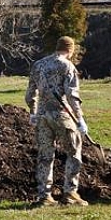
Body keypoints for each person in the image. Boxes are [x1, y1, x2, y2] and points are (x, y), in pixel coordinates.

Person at [25, 35, 89, 207]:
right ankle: (70, 193)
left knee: (45, 155)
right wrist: (80, 119)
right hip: (61, 115)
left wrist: (33, 112)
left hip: (42, 117)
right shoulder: (67, 66)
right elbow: (72, 95)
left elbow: (31, 93)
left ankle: (44, 196)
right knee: (74, 152)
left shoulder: (38, 65)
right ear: (71, 49)